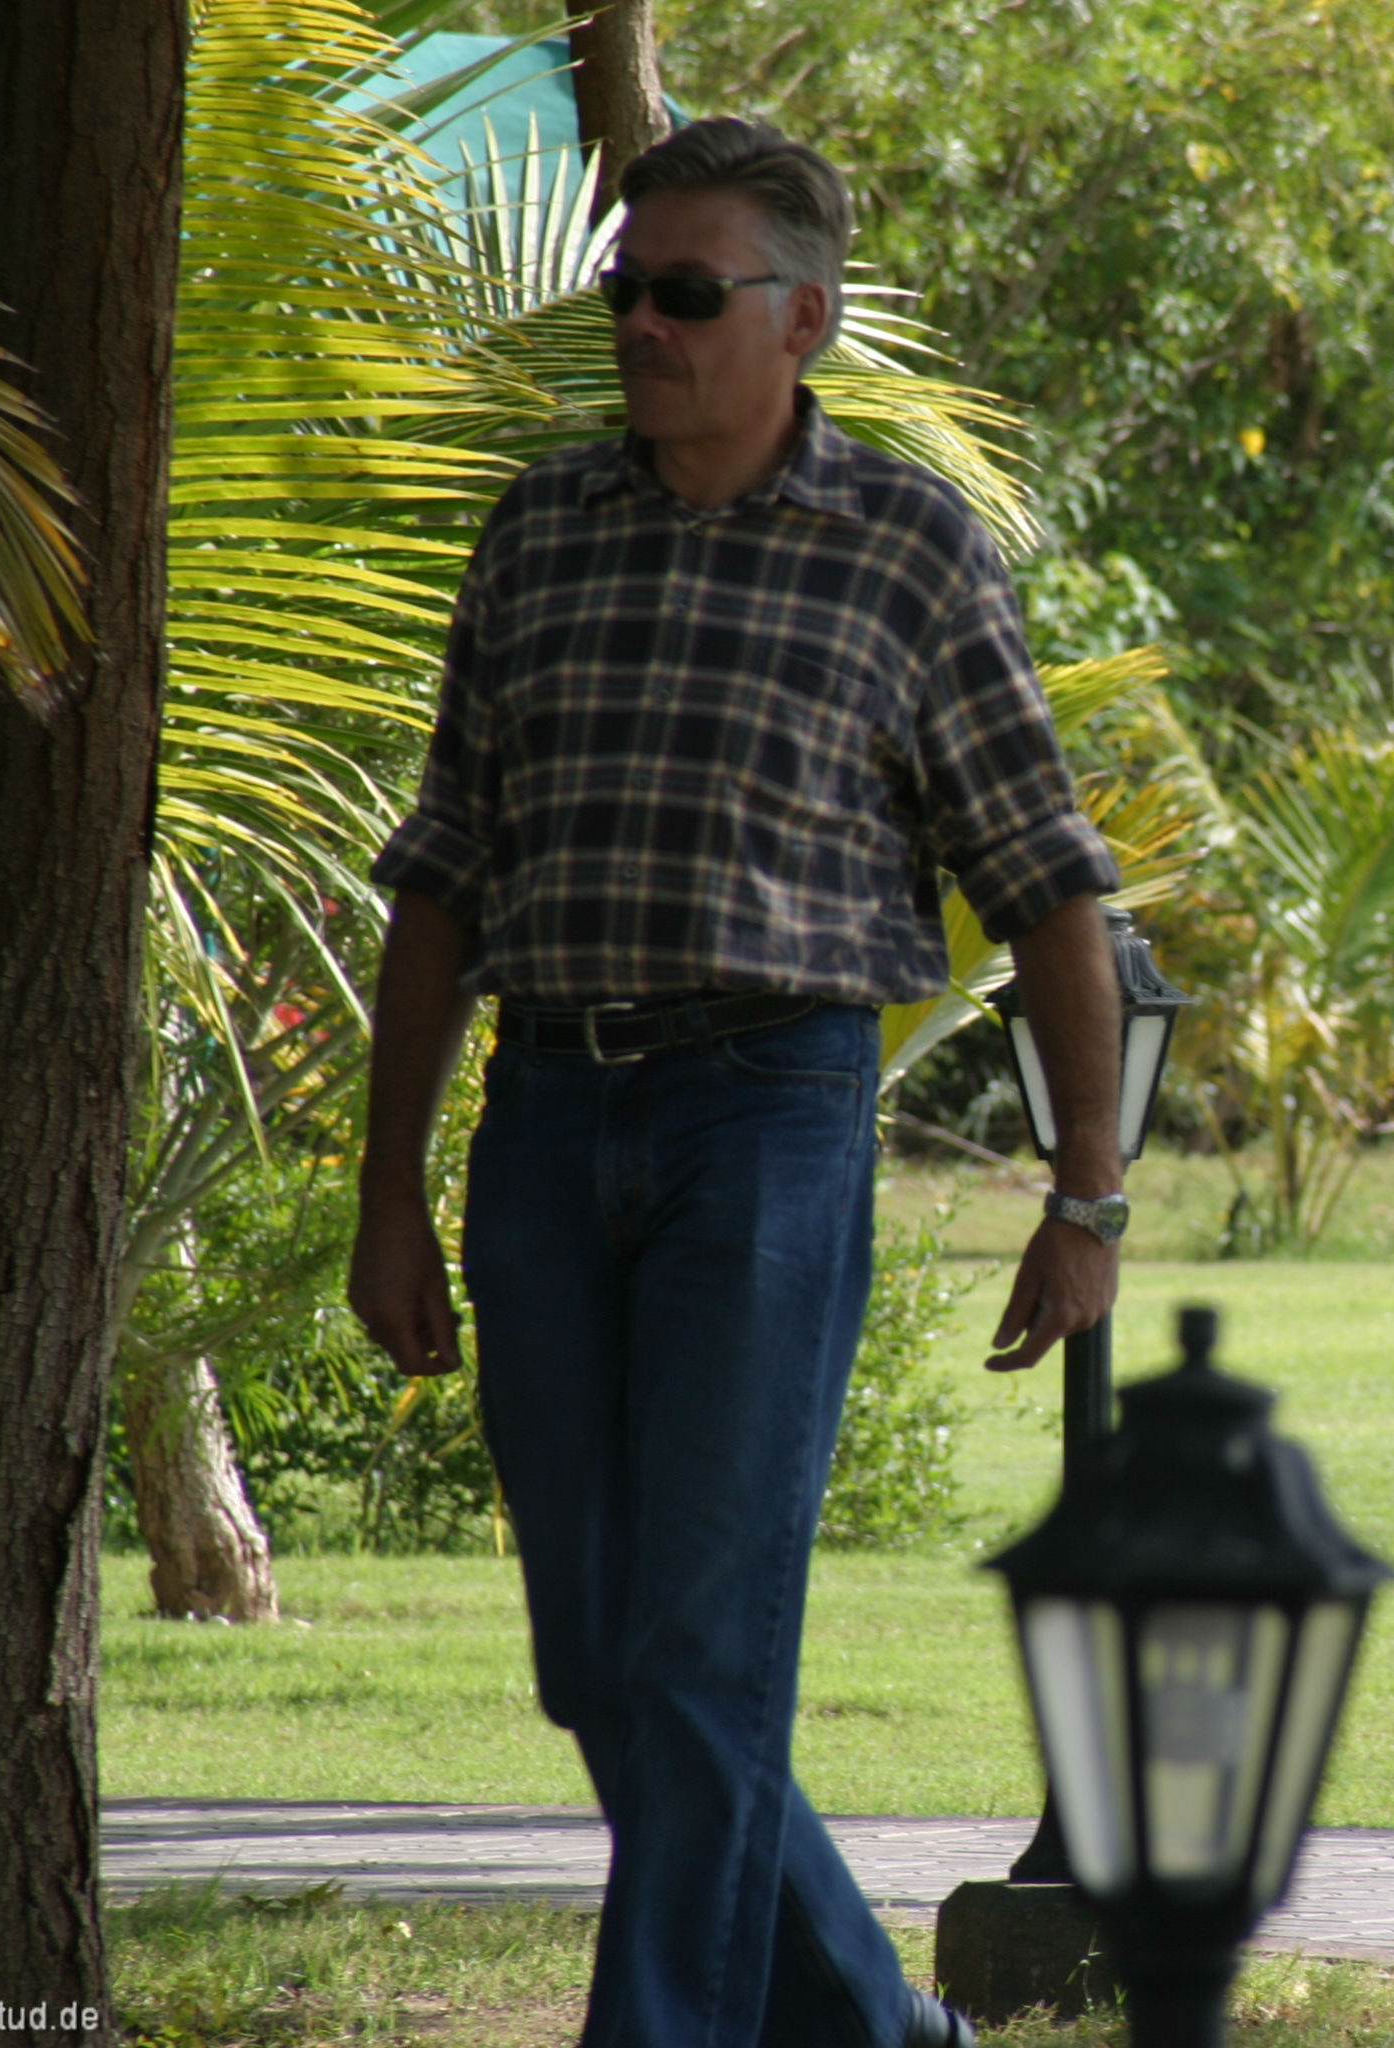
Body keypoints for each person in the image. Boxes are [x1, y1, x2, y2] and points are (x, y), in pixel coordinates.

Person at [347, 118, 1133, 2048]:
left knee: (696, 1651)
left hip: (766, 1119)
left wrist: (1087, 1199)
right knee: (602, 1667)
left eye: (686, 293)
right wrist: (389, 1194)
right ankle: (887, 2034)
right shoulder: (538, 531)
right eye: (627, 289)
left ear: (802, 321)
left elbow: (1050, 892)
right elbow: (440, 880)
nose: (642, 324)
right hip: (544, 1122)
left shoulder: (908, 552)